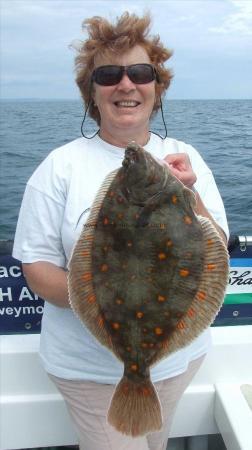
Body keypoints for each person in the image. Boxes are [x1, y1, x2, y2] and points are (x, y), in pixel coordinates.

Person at [13, 12, 229, 450]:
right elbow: (36, 269)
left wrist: (189, 197)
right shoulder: (59, 166)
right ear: (91, 94)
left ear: (157, 87)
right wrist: (101, 298)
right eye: (109, 74)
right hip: (88, 372)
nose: (126, 84)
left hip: (178, 361)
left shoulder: (186, 159)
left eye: (140, 73)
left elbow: (217, 248)